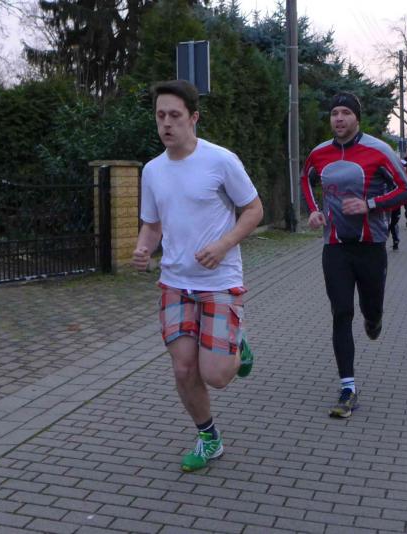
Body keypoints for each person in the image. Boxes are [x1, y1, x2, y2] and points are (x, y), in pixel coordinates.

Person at [132, 80, 264, 472]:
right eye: (160, 115)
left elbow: (254, 209)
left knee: (217, 375)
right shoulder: (152, 171)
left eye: (174, 115)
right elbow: (152, 225)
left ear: (193, 118)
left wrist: (224, 244)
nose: (166, 123)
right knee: (183, 368)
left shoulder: (220, 161)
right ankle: (209, 438)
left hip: (219, 281)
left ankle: (237, 344)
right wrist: (143, 248)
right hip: (175, 283)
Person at [301, 92, 407, 418]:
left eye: (345, 113)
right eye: (334, 113)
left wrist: (370, 204)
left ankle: (374, 319)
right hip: (335, 246)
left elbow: (406, 189)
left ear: (357, 118)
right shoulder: (319, 153)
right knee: (341, 313)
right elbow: (306, 179)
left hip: (371, 245)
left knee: (370, 309)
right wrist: (313, 210)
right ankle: (347, 388)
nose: (338, 118)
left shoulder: (379, 150)